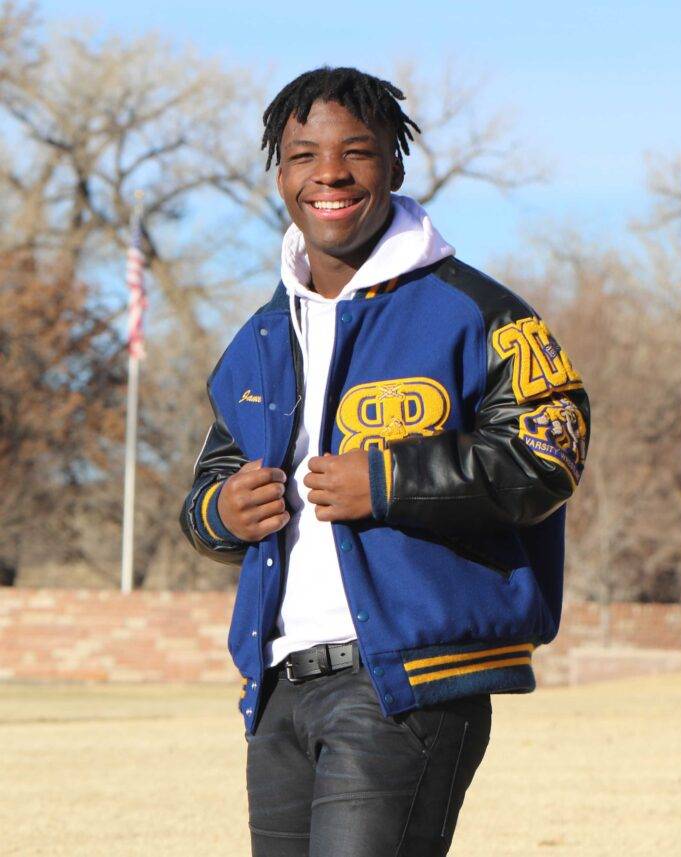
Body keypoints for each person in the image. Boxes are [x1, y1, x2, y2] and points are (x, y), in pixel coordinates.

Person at [178, 66, 589, 857]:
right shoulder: (262, 337)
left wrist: (391, 480)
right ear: (280, 174)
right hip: (277, 688)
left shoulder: (476, 310)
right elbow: (204, 491)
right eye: (303, 155)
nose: (328, 173)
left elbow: (550, 452)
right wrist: (220, 513)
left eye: (355, 152)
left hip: (406, 684)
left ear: (394, 167)